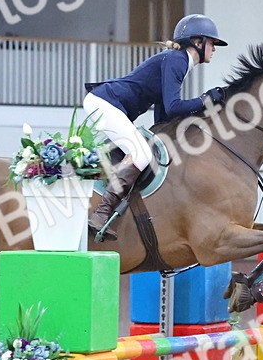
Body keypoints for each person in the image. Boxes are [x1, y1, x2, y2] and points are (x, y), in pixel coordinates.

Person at [83, 14, 228, 239]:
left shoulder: (177, 61)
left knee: (140, 150)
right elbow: (173, 107)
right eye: (212, 43)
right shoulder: (177, 60)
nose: (214, 49)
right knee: (140, 155)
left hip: (107, 103)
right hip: (105, 102)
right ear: (197, 43)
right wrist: (205, 100)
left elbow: (163, 117)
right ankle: (101, 214)